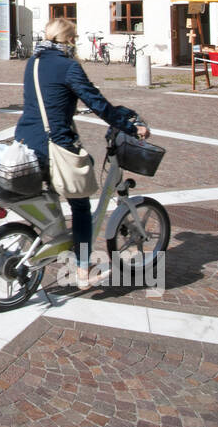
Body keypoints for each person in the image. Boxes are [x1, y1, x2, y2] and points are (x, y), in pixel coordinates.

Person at [13, 17, 150, 288]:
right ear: (70, 40)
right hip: (55, 146)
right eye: (74, 39)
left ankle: (52, 240)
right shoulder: (68, 66)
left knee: (51, 193)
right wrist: (131, 128)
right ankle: (83, 269)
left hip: (25, 139)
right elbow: (98, 103)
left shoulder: (34, 62)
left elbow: (50, 99)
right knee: (81, 205)